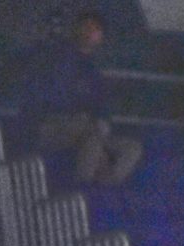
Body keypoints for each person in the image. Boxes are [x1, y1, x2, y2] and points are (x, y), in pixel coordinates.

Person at [18, 10, 142, 186]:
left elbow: (101, 105)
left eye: (96, 29)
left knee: (131, 148)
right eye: (87, 26)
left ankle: (104, 184)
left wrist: (102, 122)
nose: (90, 32)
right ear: (76, 28)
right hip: (47, 125)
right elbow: (49, 95)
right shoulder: (56, 55)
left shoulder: (93, 71)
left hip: (83, 129)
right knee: (92, 134)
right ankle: (79, 189)